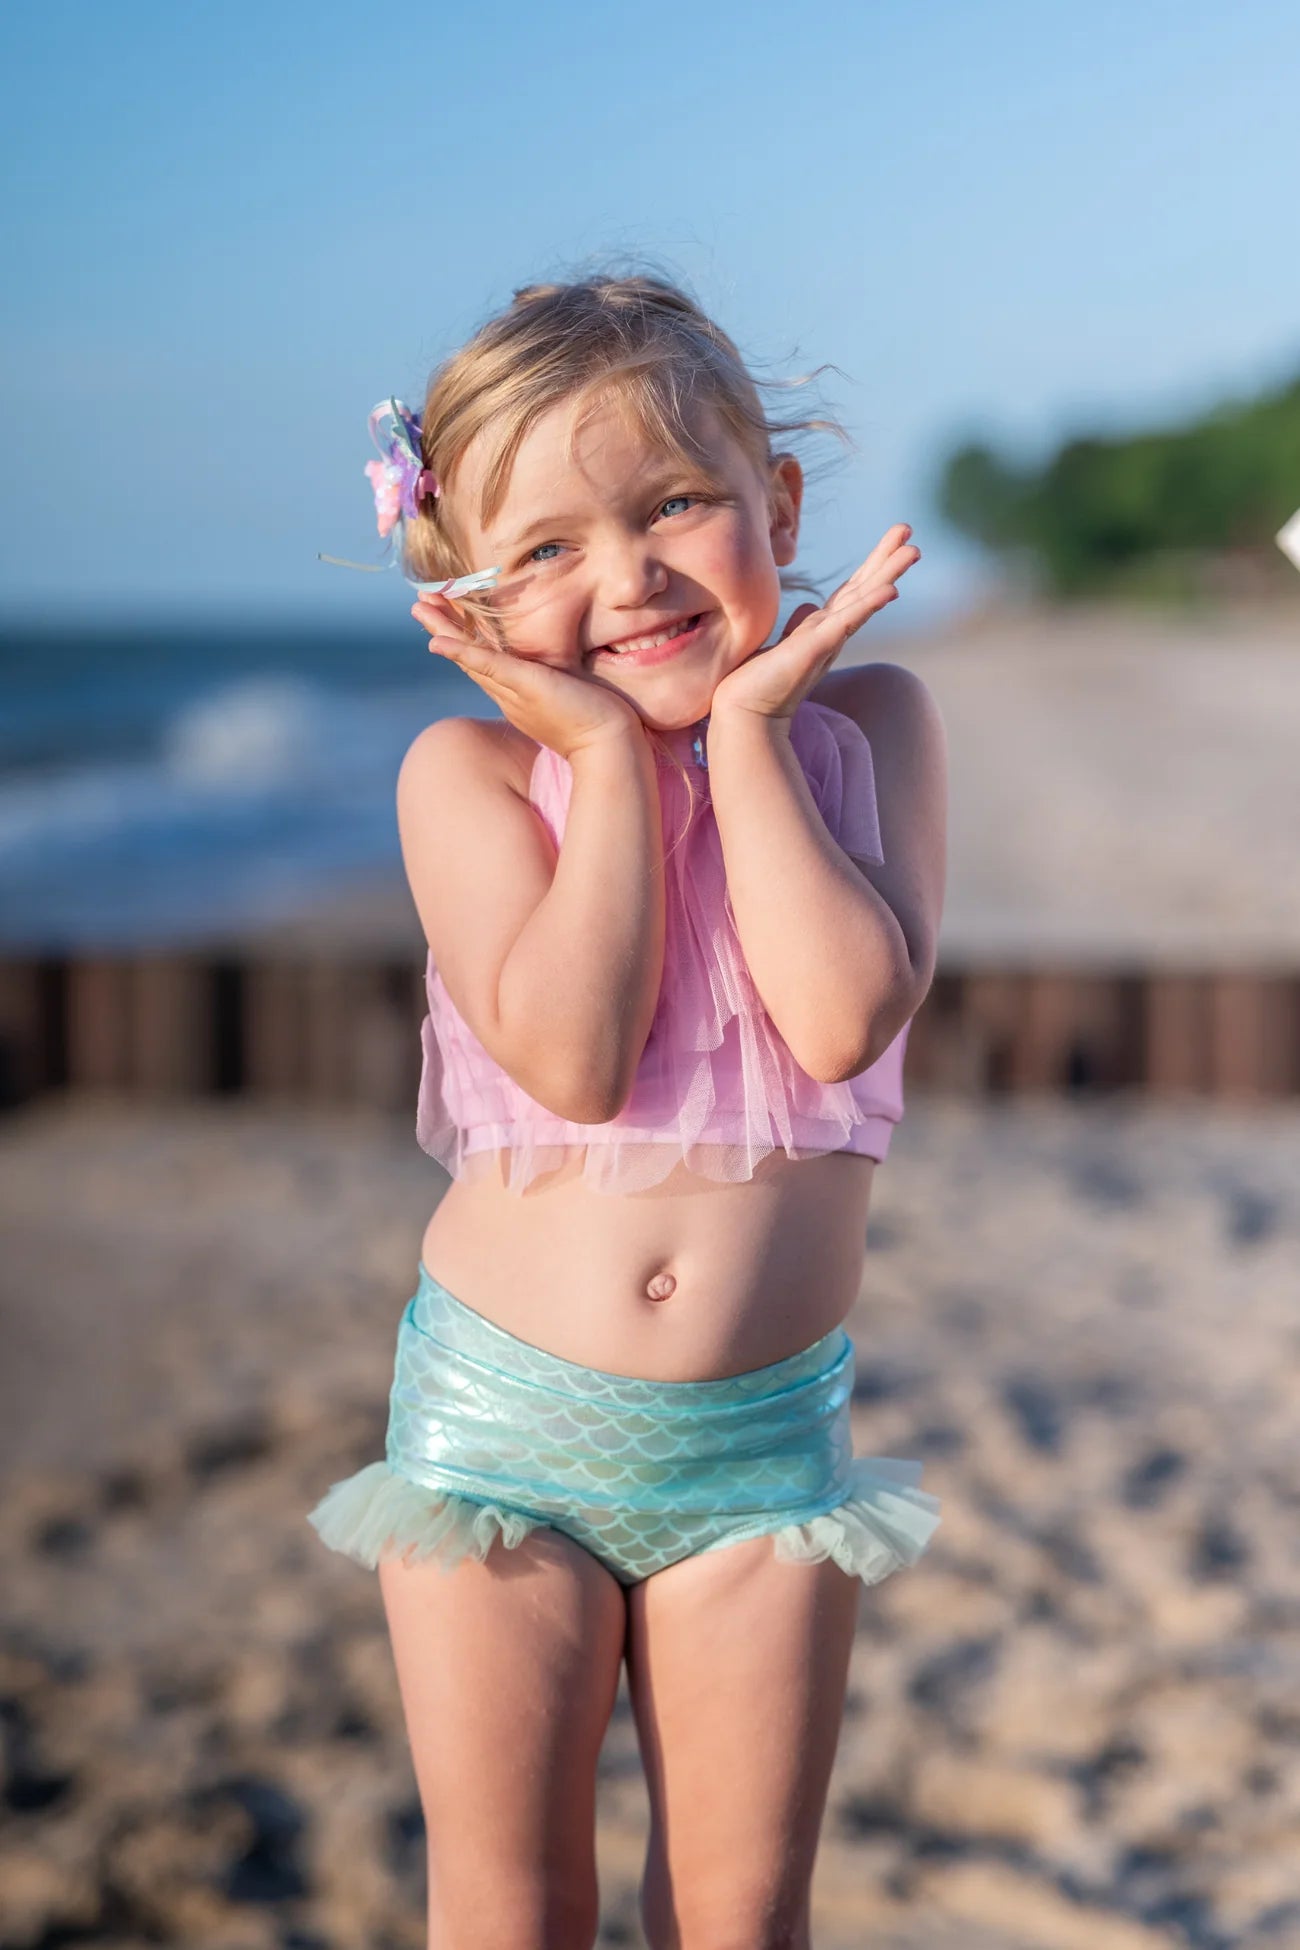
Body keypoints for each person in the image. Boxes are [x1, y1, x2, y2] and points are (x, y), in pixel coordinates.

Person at [308, 272, 948, 1950]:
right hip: (502, 1440)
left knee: (741, 1917)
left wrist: (742, 730)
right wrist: (600, 756)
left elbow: (837, 1015)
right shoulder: (463, 777)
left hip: (759, 1451)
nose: (628, 576)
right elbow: (574, 1058)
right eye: (547, 548)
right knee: (511, 1909)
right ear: (462, 591)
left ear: (777, 503)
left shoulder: (868, 731)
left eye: (675, 505)